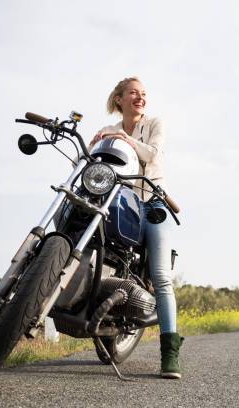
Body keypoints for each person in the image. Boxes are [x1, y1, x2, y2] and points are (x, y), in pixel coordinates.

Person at [89, 77, 184, 379]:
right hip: (121, 203)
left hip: (153, 203)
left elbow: (153, 154)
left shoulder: (155, 123)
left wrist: (126, 141)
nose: (140, 98)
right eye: (134, 93)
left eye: (143, 94)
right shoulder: (111, 131)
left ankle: (170, 355)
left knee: (160, 276)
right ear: (119, 99)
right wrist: (94, 147)